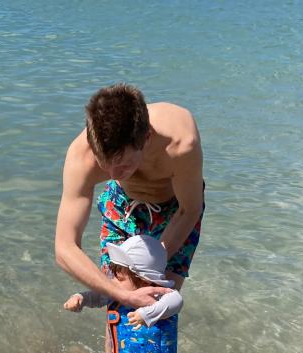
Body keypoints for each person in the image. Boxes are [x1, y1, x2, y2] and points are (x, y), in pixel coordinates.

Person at [54, 83, 204, 303]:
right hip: (122, 204)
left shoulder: (181, 144)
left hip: (177, 209)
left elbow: (189, 209)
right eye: (104, 165)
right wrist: (121, 294)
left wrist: (148, 270)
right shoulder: (81, 157)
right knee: (118, 305)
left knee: (159, 302)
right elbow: (64, 247)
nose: (113, 175)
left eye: (123, 165)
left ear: (146, 138)